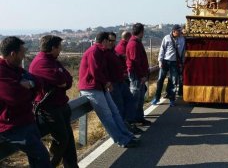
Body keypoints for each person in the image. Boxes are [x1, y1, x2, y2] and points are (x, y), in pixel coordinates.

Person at [78, 32, 139, 148]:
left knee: (114, 112)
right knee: (107, 115)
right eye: (109, 41)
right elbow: (95, 71)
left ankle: (127, 135)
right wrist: (106, 82)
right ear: (104, 41)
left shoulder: (101, 52)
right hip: (92, 88)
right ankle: (122, 140)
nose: (111, 43)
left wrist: (107, 82)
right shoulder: (94, 52)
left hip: (100, 86)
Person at [0, 36, 51, 167]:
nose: (24, 56)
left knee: (38, 158)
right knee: (42, 157)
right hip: (12, 126)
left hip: (25, 120)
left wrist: (28, 84)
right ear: (13, 54)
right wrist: (27, 87)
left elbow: (38, 82)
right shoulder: (2, 72)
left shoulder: (14, 69)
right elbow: (15, 98)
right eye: (22, 53)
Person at [29, 35, 78, 168]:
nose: (61, 49)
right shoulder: (41, 62)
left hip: (60, 105)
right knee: (62, 139)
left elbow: (67, 80)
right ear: (52, 48)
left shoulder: (52, 60)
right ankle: (50, 164)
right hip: (49, 108)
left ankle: (72, 165)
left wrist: (63, 80)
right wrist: (63, 80)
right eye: (59, 47)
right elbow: (61, 80)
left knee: (68, 139)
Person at [107, 32, 141, 134]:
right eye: (110, 41)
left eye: (114, 41)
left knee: (130, 100)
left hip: (121, 81)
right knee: (120, 106)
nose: (112, 43)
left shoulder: (114, 52)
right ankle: (123, 129)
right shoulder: (105, 53)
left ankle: (129, 124)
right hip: (113, 83)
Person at [151, 24, 185, 107]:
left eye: (181, 30)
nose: (180, 32)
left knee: (173, 82)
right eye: (179, 31)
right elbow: (162, 49)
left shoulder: (182, 39)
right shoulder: (166, 38)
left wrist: (182, 63)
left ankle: (172, 99)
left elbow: (183, 52)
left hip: (175, 63)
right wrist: (160, 61)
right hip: (165, 61)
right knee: (160, 80)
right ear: (174, 31)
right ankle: (156, 97)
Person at [126, 24, 151, 126]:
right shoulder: (134, 44)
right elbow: (136, 62)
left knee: (140, 99)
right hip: (136, 75)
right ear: (141, 31)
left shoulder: (136, 42)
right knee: (135, 99)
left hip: (139, 75)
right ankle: (132, 122)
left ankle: (139, 118)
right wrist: (142, 76)